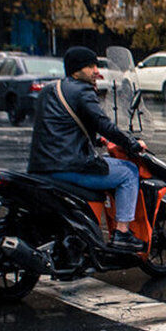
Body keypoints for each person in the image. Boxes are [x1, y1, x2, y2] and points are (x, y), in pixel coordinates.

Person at [28, 46, 148, 252]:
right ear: (76, 70)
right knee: (129, 172)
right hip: (69, 166)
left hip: (40, 166)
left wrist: (97, 139)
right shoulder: (82, 91)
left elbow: (62, 127)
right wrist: (131, 144)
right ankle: (122, 232)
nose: (96, 71)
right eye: (91, 66)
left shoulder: (50, 89)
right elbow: (103, 123)